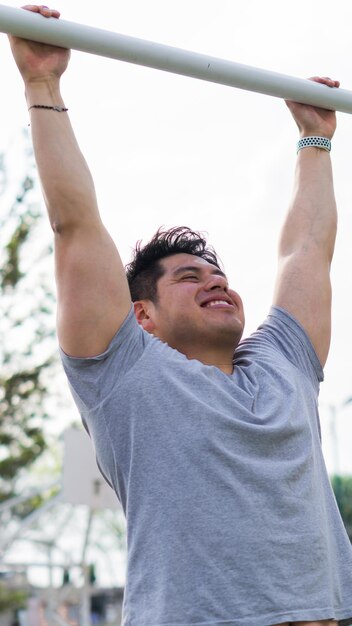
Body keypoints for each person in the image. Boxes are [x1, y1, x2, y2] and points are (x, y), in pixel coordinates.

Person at [7, 5, 352, 626]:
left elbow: (307, 250)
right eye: (188, 277)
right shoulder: (127, 377)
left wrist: (315, 141)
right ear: (141, 315)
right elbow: (75, 226)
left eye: (217, 275)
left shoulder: (283, 366)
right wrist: (42, 86)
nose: (215, 281)